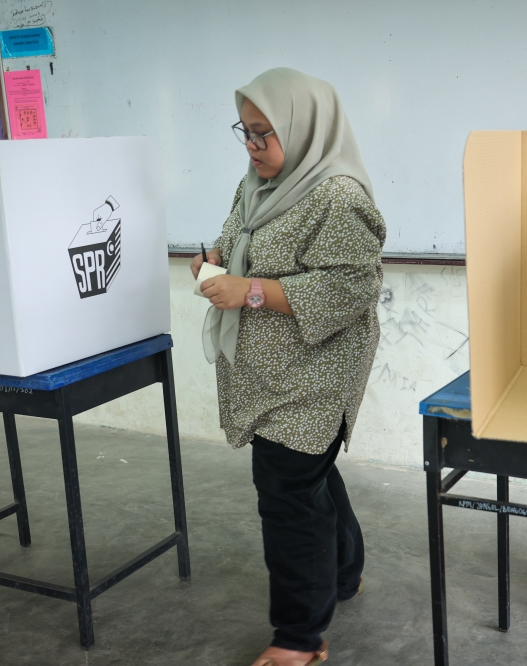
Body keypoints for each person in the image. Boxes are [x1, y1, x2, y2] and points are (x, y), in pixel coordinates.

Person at [191, 68, 385, 666]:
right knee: (311, 476)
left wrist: (246, 290)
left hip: (313, 374)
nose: (252, 148)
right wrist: (214, 262)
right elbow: (233, 236)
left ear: (304, 129)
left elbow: (349, 289)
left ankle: (299, 637)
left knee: (287, 495)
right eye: (244, 133)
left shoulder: (339, 196)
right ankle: (344, 573)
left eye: (263, 134)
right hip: (267, 372)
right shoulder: (257, 182)